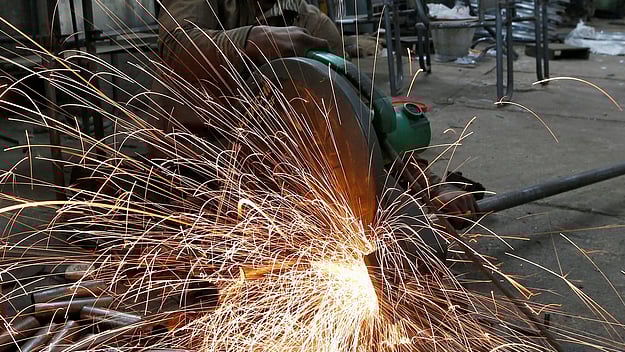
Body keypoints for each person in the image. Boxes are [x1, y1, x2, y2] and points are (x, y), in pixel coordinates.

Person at [155, 0, 478, 217]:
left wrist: (429, 184)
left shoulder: (313, 27)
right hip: (200, 161)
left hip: (277, 171)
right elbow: (177, 46)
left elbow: (362, 123)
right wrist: (253, 41)